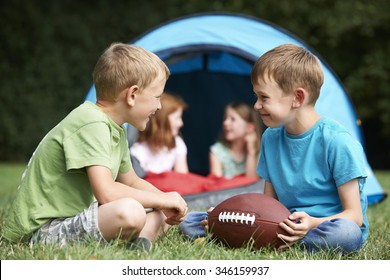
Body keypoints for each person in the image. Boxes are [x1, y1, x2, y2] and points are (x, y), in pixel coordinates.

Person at [181, 44, 369, 254]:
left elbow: (354, 215)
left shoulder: (337, 141)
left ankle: (283, 240)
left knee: (346, 234)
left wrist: (312, 223)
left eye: (264, 97)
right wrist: (226, 216)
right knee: (190, 222)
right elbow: (267, 203)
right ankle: (267, 237)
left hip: (326, 226)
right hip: (280, 224)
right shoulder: (270, 137)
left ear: (297, 98)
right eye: (256, 97)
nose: (256, 105)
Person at [1, 43, 188, 250]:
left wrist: (166, 200)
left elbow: (132, 182)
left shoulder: (115, 129)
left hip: (73, 220)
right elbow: (106, 193)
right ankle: (139, 237)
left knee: (159, 211)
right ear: (132, 94)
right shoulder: (91, 122)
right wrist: (161, 201)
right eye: (157, 97)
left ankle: (140, 243)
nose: (159, 106)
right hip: (42, 231)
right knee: (130, 211)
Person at [130, 92, 189, 174]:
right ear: (162, 121)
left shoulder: (177, 144)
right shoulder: (137, 149)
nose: (181, 123)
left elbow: (183, 178)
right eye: (177, 118)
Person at [209, 102, 261, 179]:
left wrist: (251, 153)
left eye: (233, 119)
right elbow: (217, 186)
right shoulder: (217, 152)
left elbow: (252, 181)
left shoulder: (259, 153)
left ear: (249, 127)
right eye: (225, 118)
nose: (225, 123)